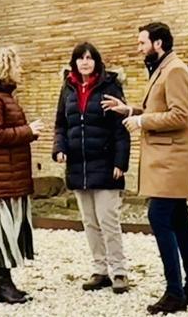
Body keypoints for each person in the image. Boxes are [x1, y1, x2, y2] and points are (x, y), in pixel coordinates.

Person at [103, 22, 188, 314]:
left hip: (172, 160)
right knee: (180, 223)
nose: (139, 49)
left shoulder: (175, 71)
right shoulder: (163, 69)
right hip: (167, 161)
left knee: (158, 216)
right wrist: (131, 110)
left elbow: (179, 116)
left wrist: (141, 122)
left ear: (158, 43)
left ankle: (175, 293)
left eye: (142, 43)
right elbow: (160, 108)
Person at [52, 41, 131, 294]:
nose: (85, 62)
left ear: (96, 61)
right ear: (74, 62)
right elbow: (61, 125)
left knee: (109, 220)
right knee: (89, 221)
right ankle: (100, 270)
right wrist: (59, 148)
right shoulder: (68, 89)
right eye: (80, 58)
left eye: (89, 58)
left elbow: (121, 127)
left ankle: (119, 272)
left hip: (106, 165)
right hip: (79, 166)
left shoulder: (110, 86)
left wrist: (121, 162)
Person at [0, 45, 43, 305]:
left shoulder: (4, 98)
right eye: (17, 65)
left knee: (11, 229)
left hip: (11, 176)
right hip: (1, 178)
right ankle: (2, 285)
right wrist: (28, 131)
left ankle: (6, 283)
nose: (21, 70)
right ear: (5, 68)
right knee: (2, 231)